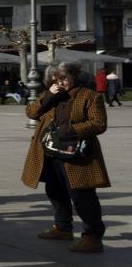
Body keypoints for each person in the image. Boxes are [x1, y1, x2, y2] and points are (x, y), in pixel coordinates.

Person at [21, 62, 110, 253]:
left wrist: (70, 130)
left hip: (77, 155)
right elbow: (31, 112)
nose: (59, 82)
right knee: (54, 190)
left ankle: (93, 236)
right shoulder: (52, 95)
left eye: (63, 78)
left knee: (82, 195)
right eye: (55, 79)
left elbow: (99, 124)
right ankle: (62, 227)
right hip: (51, 152)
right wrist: (49, 96)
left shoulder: (89, 96)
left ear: (74, 76)